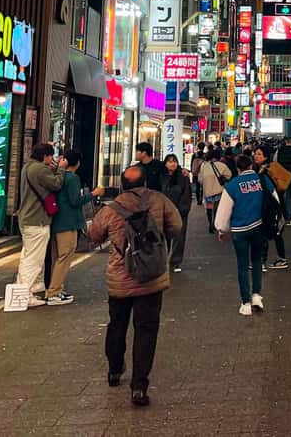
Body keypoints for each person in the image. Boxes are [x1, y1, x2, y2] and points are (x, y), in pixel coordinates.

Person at [87, 165, 182, 407]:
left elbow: (94, 235)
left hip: (120, 278)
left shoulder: (112, 208)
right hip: (151, 276)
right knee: (146, 330)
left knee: (117, 324)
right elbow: (176, 226)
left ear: (122, 184)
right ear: (145, 182)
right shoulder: (159, 200)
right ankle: (139, 386)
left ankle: (114, 370)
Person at [46, 149, 104, 305]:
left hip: (57, 221)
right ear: (77, 163)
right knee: (64, 257)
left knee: (57, 257)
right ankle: (54, 292)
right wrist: (94, 194)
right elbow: (75, 201)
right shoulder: (72, 178)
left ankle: (55, 289)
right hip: (68, 222)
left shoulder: (58, 176)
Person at [15, 143, 67, 307]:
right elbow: (56, 184)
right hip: (37, 220)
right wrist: (61, 169)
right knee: (33, 260)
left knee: (27, 257)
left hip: (26, 219)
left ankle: (22, 291)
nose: (52, 159)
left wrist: (53, 168)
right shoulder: (40, 169)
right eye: (51, 156)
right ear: (45, 156)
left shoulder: (27, 167)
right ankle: (26, 295)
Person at [214, 154, 265, 316]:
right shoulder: (260, 180)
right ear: (251, 165)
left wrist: (222, 230)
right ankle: (256, 295)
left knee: (243, 266)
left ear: (237, 168)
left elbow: (223, 213)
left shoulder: (232, 186)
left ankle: (245, 303)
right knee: (257, 261)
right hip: (258, 226)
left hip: (240, 230)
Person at [161, 154, 192, 272]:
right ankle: (164, 261)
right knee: (164, 236)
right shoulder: (161, 177)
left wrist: (182, 209)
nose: (172, 164)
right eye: (169, 161)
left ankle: (175, 262)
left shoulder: (183, 177)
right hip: (164, 211)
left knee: (179, 237)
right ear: (165, 164)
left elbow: (187, 194)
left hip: (180, 211)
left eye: (174, 161)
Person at [198, 149, 232, 234]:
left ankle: (210, 224)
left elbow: (200, 179)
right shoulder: (222, 165)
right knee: (216, 207)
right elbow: (229, 175)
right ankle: (215, 224)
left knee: (209, 207)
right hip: (219, 189)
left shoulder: (204, 166)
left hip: (208, 190)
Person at [276, 135, 291, 224]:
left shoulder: (280, 150)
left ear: (285, 142)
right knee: (289, 195)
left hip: (281, 174)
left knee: (280, 195)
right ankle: (288, 216)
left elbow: (276, 161)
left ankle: (281, 215)